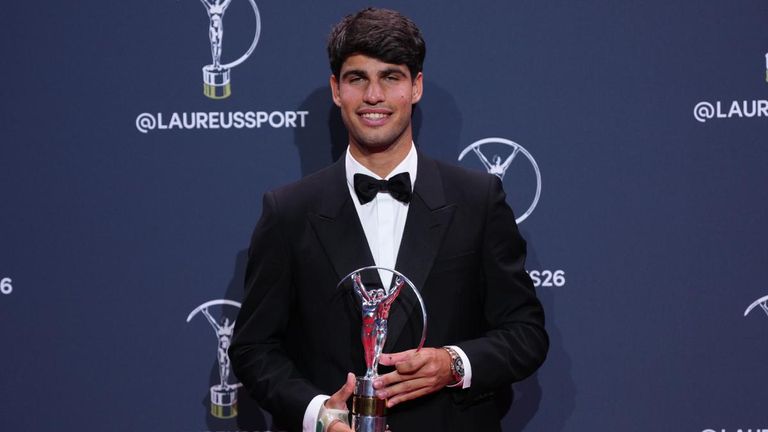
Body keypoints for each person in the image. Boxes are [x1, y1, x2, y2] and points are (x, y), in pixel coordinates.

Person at [229, 7, 548, 432]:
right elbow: (253, 347)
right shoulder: (288, 211)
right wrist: (320, 414)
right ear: (336, 90)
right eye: (357, 78)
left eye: (391, 77)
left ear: (415, 87)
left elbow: (526, 334)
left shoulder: (477, 200)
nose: (373, 96)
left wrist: (452, 363)